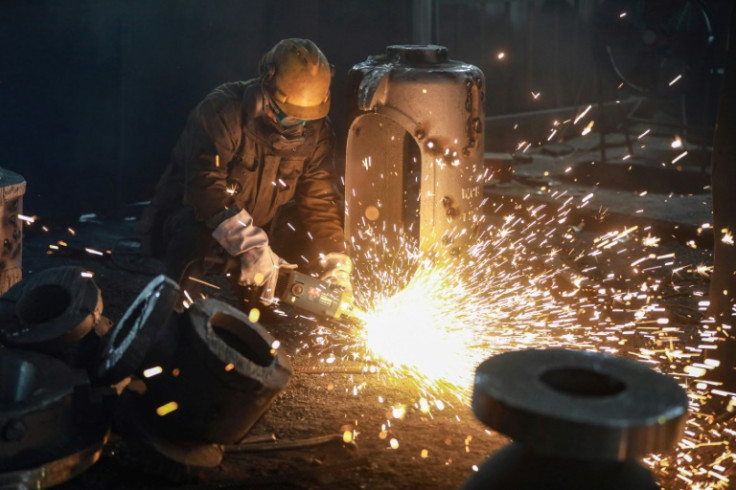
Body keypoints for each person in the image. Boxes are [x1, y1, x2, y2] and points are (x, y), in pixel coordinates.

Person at [141, 38, 352, 308]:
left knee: (299, 236)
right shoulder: (222, 112)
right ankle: (173, 311)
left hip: (258, 232)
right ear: (266, 89)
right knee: (192, 234)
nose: (296, 127)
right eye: (287, 116)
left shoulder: (318, 133)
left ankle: (272, 316)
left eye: (304, 120)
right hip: (198, 221)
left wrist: (335, 261)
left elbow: (320, 200)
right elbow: (204, 187)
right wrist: (249, 244)